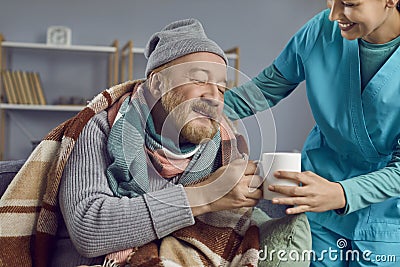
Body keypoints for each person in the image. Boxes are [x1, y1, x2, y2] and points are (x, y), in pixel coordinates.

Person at [51, 18, 265, 266]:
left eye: (221, 89)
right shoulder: (99, 129)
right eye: (199, 79)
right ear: (157, 83)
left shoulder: (223, 148)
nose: (214, 97)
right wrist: (206, 194)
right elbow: (88, 230)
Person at [224, 0, 400, 266]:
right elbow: (263, 90)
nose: (333, 14)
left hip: (385, 216)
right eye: (330, 0)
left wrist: (341, 193)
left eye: (349, 3)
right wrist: (195, 111)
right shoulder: (320, 31)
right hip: (315, 203)